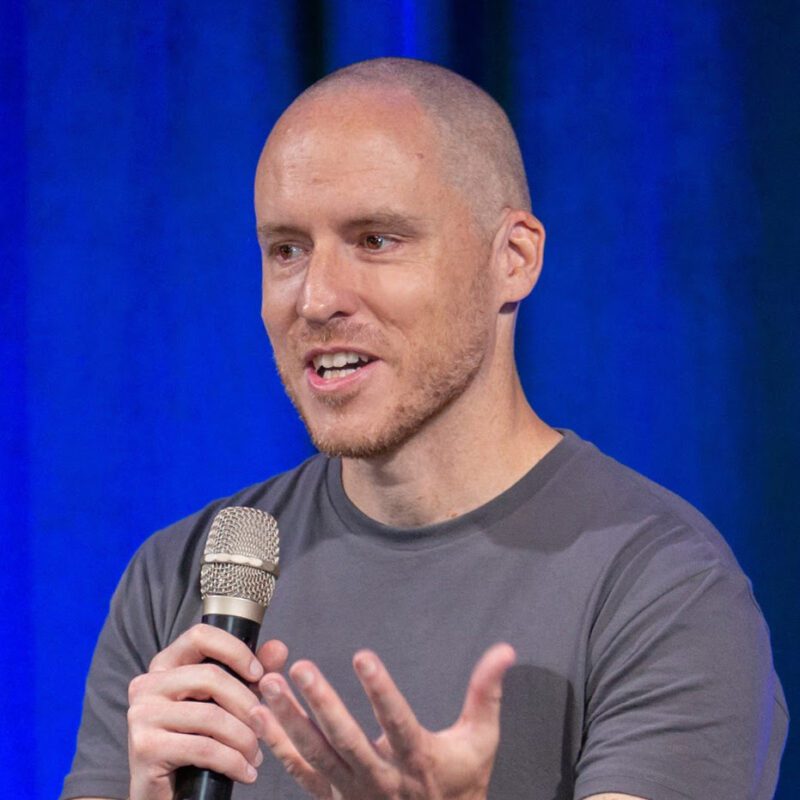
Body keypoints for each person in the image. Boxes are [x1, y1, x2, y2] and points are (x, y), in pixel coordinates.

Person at [62, 58, 787, 800]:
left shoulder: (665, 589)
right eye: (287, 249)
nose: (316, 298)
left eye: (376, 240)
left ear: (513, 259)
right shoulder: (178, 578)